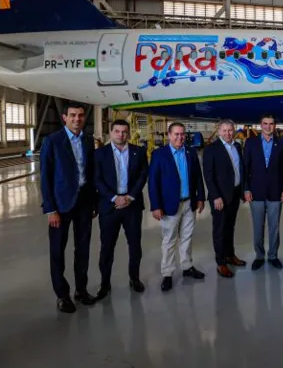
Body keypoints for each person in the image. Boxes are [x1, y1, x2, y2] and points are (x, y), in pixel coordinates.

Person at [40, 102, 96, 313]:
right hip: (60, 205)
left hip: (83, 202)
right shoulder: (52, 141)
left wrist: (92, 203)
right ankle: (62, 295)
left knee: (83, 250)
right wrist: (50, 209)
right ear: (64, 117)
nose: (77, 119)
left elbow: (90, 175)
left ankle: (81, 290)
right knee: (57, 251)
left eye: (80, 116)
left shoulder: (88, 141)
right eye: (72, 115)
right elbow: (45, 177)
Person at [92, 120, 148, 299]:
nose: (121, 135)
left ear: (129, 133)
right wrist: (114, 197)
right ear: (111, 132)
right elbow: (97, 179)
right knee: (107, 247)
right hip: (110, 207)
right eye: (117, 131)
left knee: (135, 246)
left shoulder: (138, 152)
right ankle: (105, 283)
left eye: (124, 132)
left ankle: (135, 278)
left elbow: (142, 175)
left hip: (132, 205)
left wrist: (130, 196)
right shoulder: (100, 154)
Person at [149, 122, 206, 291]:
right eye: (176, 134)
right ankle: (167, 273)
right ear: (169, 135)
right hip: (169, 205)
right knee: (169, 240)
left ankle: (187, 266)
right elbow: (153, 182)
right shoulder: (159, 154)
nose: (180, 138)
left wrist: (201, 198)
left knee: (187, 237)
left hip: (189, 202)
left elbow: (198, 178)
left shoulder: (191, 153)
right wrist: (155, 206)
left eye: (182, 134)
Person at [243, 114, 283, 270]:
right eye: (265, 123)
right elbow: (245, 168)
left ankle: (272, 255)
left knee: (274, 227)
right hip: (255, 192)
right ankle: (259, 256)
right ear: (260, 125)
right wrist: (246, 189)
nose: (268, 126)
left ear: (275, 126)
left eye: (271, 124)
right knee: (258, 227)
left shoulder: (282, 143)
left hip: (275, 192)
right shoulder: (250, 143)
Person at [203, 119, 247, 278]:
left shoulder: (237, 146)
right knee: (220, 230)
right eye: (224, 130)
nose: (228, 133)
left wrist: (242, 192)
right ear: (219, 131)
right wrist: (215, 196)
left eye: (230, 130)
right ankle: (221, 262)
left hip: (234, 194)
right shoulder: (211, 149)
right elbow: (208, 176)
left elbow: (240, 169)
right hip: (220, 197)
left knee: (230, 227)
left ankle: (230, 255)